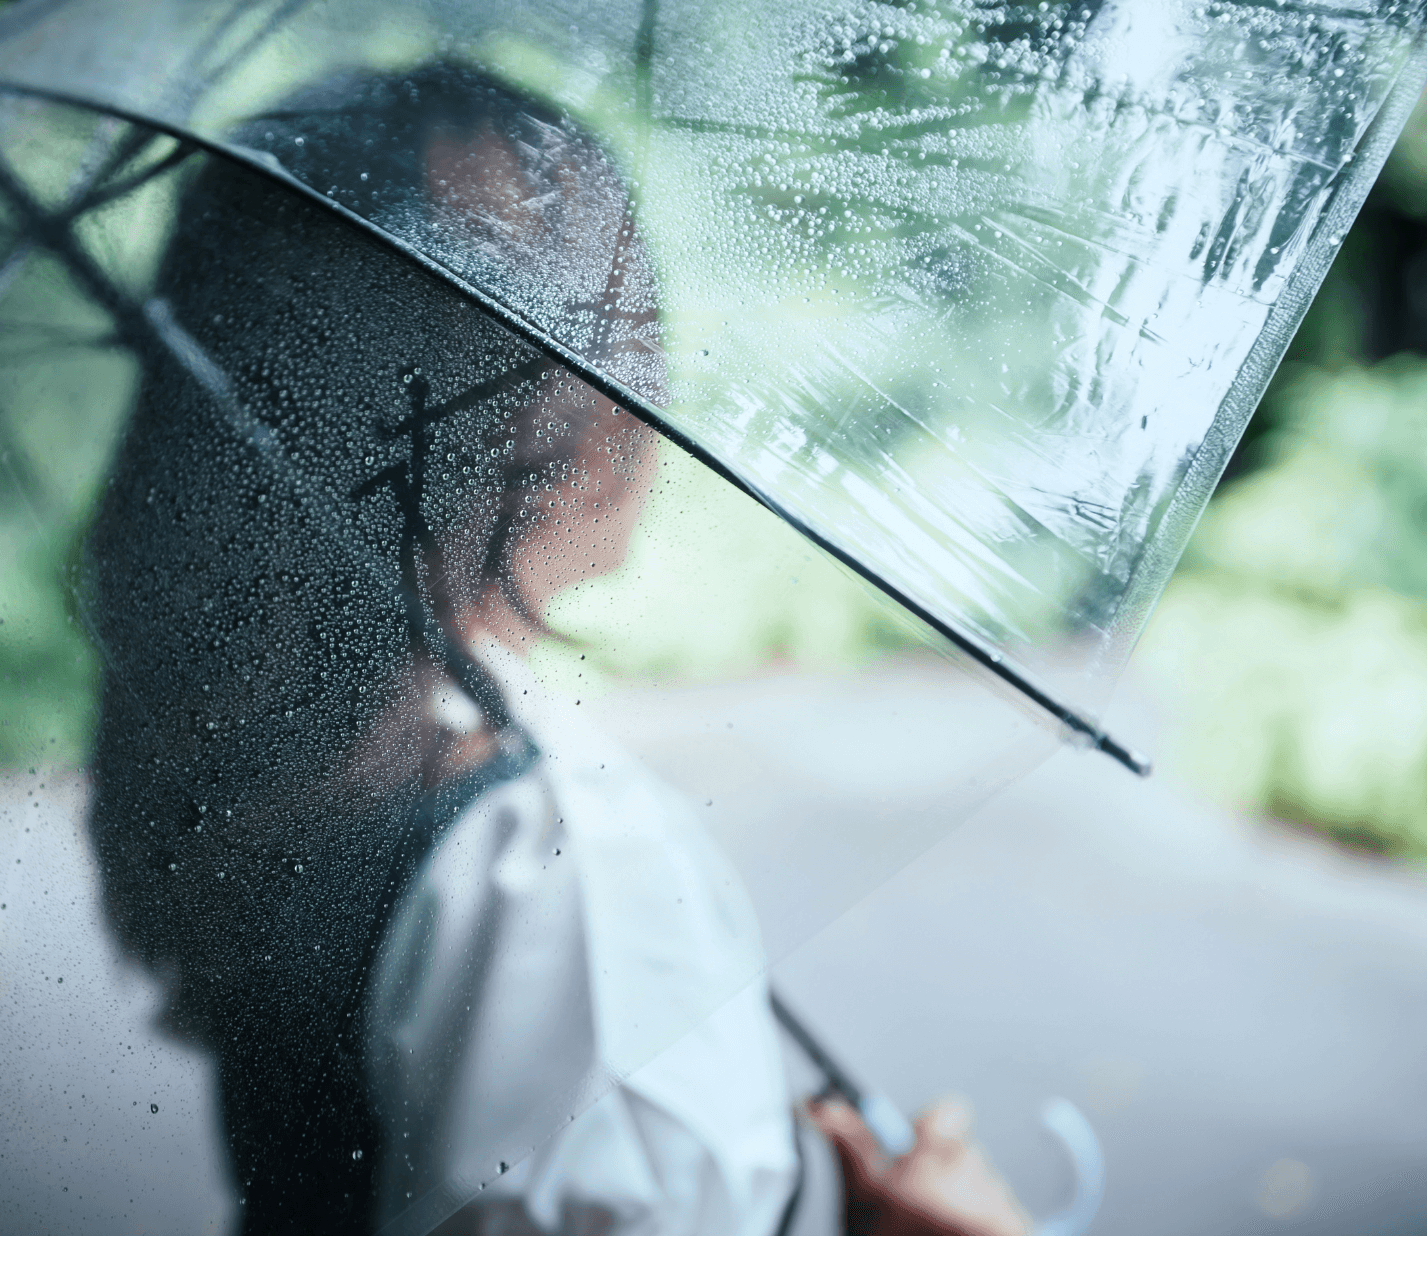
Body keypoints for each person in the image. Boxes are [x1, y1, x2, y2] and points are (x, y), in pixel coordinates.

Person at [85, 61, 1029, 1235]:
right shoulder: (557, 876)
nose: (651, 385)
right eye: (619, 325)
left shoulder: (294, 754)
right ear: (529, 420)